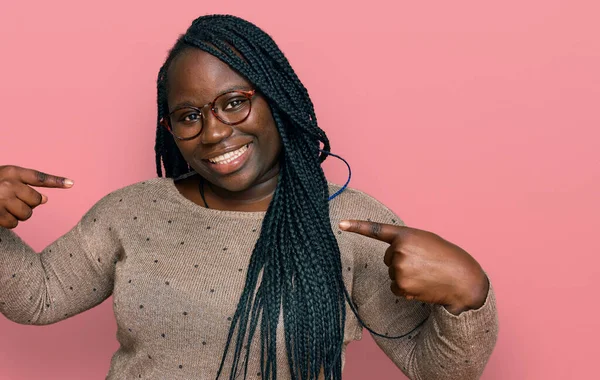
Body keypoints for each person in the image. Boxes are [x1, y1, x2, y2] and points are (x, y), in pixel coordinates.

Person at [0, 14, 498, 380]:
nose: (214, 132)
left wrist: (469, 294)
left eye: (235, 103)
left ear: (278, 101)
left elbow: (436, 369)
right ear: (169, 128)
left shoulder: (349, 222)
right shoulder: (131, 212)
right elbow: (37, 299)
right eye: (189, 115)